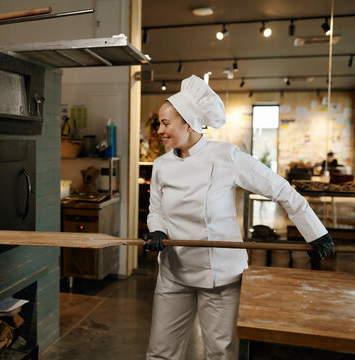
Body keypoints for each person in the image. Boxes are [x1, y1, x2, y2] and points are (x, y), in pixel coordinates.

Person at [141, 75, 334, 360]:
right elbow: (156, 209)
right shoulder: (160, 166)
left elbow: (279, 188)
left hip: (220, 275)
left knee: (221, 353)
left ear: (189, 123)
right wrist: (158, 231)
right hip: (174, 272)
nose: (159, 130)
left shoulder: (226, 157)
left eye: (165, 123)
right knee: (160, 353)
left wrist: (316, 232)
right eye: (160, 123)